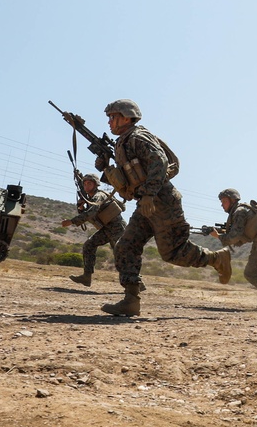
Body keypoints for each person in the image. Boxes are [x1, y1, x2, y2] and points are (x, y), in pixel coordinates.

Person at [96, 99, 232, 317]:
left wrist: (149, 193)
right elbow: (130, 178)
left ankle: (216, 258)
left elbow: (159, 162)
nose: (109, 122)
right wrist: (106, 169)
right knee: (125, 246)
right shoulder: (123, 142)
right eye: (109, 118)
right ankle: (131, 300)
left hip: (162, 201)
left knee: (174, 253)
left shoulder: (138, 137)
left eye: (113, 117)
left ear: (127, 117)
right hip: (145, 204)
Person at [61, 174, 126, 287]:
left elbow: (91, 213)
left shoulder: (98, 196)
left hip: (117, 229)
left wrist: (72, 221)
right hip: (107, 229)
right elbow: (90, 215)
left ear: (95, 185)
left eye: (89, 183)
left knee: (121, 256)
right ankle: (87, 276)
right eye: (85, 184)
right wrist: (81, 208)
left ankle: (136, 282)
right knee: (89, 245)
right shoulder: (90, 198)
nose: (86, 186)